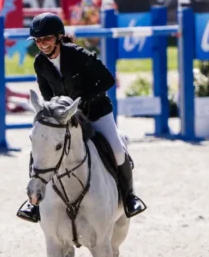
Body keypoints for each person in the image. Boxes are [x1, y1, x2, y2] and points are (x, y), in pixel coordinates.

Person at [16, 13, 147, 223]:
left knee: (116, 150)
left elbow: (107, 79)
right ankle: (35, 201)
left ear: (59, 37)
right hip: (64, 117)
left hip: (95, 112)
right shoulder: (40, 63)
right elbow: (47, 94)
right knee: (40, 149)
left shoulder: (78, 54)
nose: (42, 44)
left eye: (46, 39)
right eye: (38, 41)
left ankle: (129, 196)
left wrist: (82, 101)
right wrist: (57, 112)